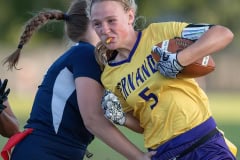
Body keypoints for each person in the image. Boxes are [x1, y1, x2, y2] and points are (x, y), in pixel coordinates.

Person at [1, 0, 155, 160]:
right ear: (91, 22)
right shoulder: (85, 54)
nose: (107, 28)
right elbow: (93, 119)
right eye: (100, 21)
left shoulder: (82, 54)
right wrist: (139, 156)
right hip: (44, 152)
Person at [88, 0, 237, 159]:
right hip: (164, 153)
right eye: (97, 24)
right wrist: (122, 118)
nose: (104, 29)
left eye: (111, 20)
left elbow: (223, 33)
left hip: (203, 143)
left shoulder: (159, 33)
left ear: (130, 16)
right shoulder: (109, 76)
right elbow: (143, 125)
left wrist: (180, 59)